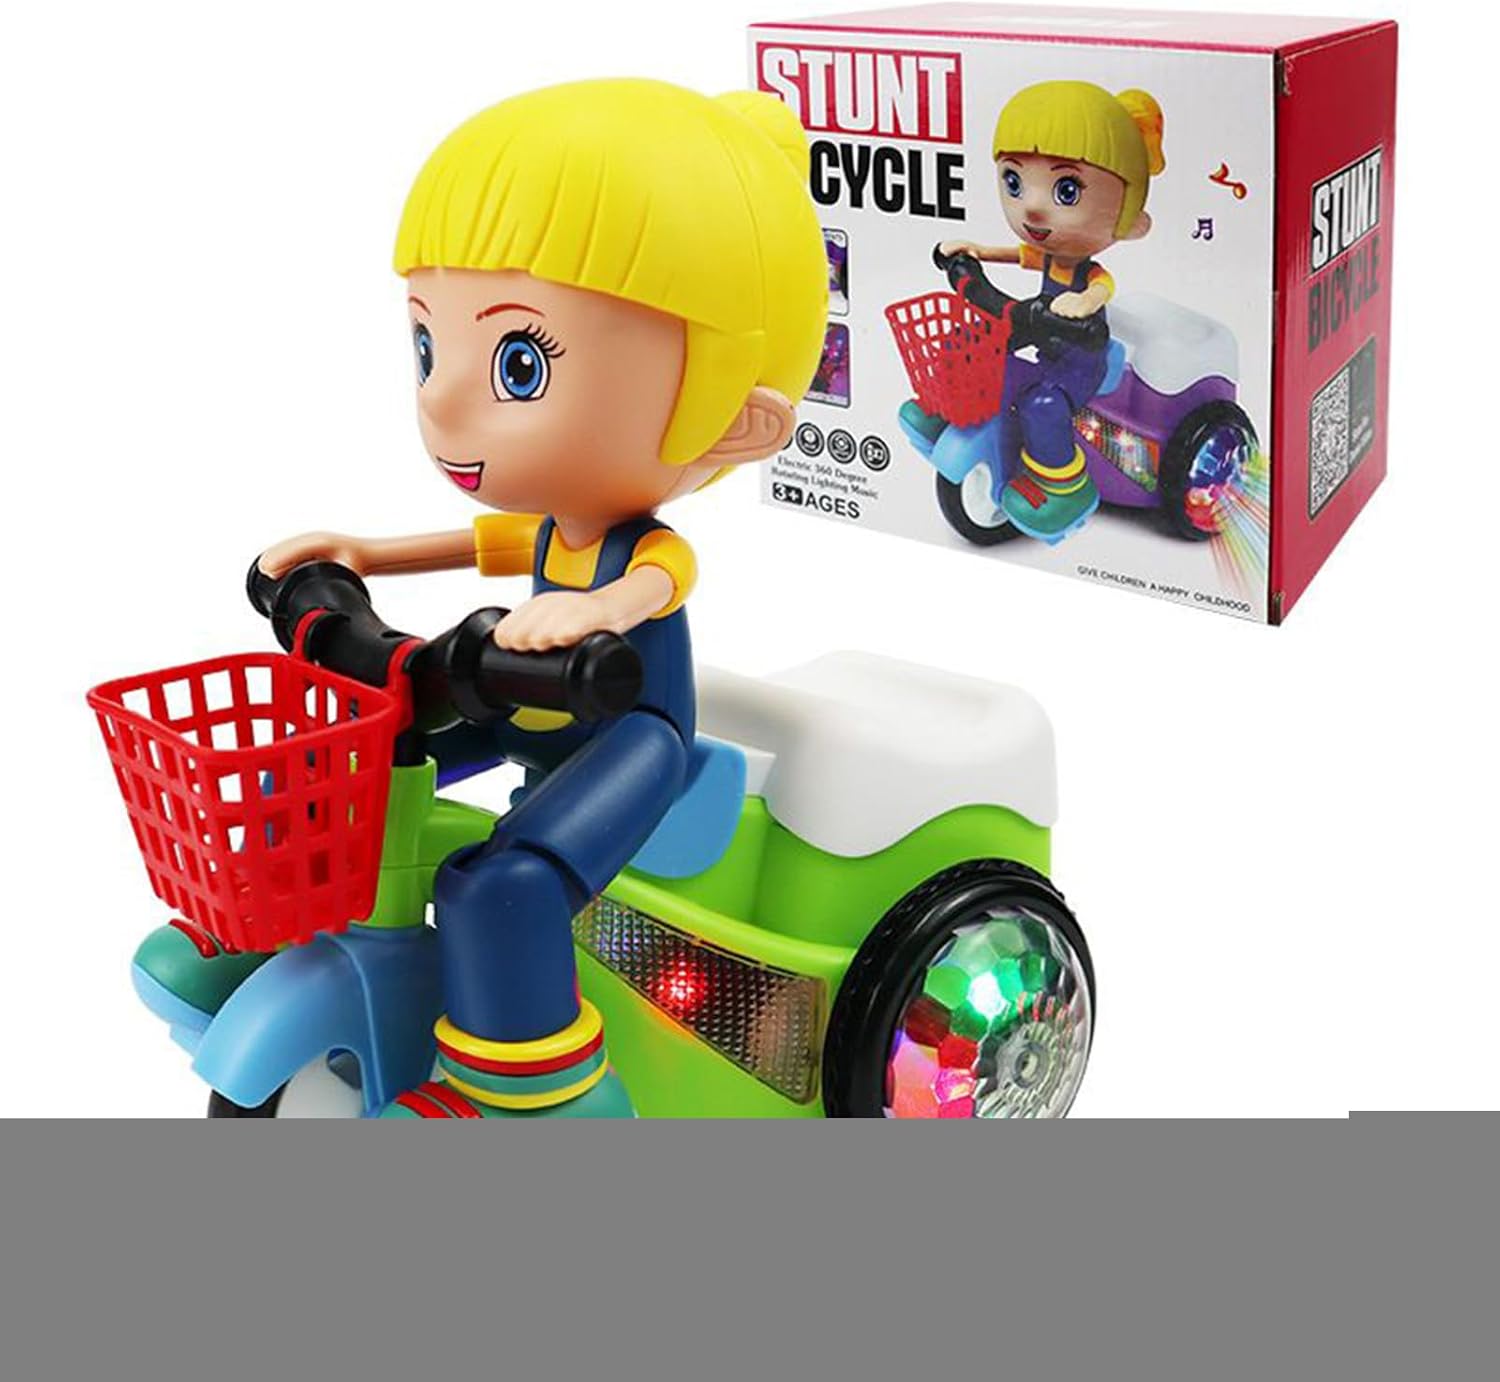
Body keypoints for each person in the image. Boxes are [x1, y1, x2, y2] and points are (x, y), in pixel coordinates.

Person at [132, 79, 827, 1117]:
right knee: (343, 774)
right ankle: (264, 936)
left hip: (631, 736)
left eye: (519, 362)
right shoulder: (545, 529)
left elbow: (651, 586)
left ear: (735, 417)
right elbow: (467, 544)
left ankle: (542, 1092)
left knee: (502, 885)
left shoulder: (643, 552)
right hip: (524, 701)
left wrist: (594, 614)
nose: (441, 400)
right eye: (428, 345)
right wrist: (361, 552)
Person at [901, 81, 1165, 542]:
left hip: (1081, 357)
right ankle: (948, 411)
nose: (1034, 207)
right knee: (974, 348)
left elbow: (1100, 290)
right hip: (1043, 336)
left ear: (1129, 218)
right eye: (1014, 182)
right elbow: (1016, 254)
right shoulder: (1045, 254)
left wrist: (1081, 304)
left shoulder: (1089, 271)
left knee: (1043, 405)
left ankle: (1063, 486)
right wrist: (976, 251)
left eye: (1067, 190)